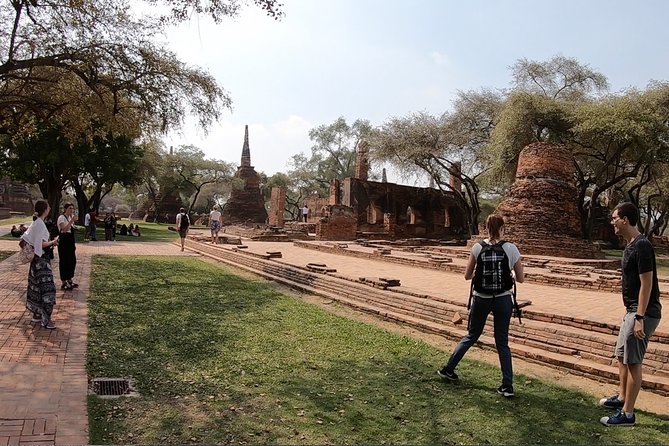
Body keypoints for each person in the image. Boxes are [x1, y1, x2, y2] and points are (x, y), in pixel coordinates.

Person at [437, 214, 524, 398]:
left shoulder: (478, 247)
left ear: (485, 228)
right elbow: (521, 278)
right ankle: (507, 386)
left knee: (471, 335)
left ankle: (448, 369)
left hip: (481, 298)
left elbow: (467, 276)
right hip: (503, 299)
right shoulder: (511, 248)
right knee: (502, 343)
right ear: (502, 228)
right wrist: (511, 276)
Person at [599, 202, 662, 427]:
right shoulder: (630, 245)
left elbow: (647, 284)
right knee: (622, 356)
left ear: (625, 220)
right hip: (632, 311)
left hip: (643, 313)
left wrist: (640, 318)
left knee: (634, 361)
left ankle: (628, 415)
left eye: (615, 218)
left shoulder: (643, 245)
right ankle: (622, 398)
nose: (612, 222)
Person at [21, 199, 59, 329]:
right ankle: (46, 319)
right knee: (48, 289)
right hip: (41, 261)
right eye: (48, 207)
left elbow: (26, 238)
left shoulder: (36, 223)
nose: (49, 209)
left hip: (35, 262)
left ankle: (37, 315)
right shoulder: (40, 224)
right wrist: (53, 242)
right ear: (45, 209)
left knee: (36, 287)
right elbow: (40, 244)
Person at [57, 203, 78, 291]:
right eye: (70, 208)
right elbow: (64, 229)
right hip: (63, 242)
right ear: (65, 209)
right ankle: (63, 282)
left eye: (72, 208)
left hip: (70, 242)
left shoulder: (70, 218)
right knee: (64, 261)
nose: (71, 210)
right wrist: (71, 221)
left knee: (72, 261)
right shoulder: (61, 218)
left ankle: (70, 279)